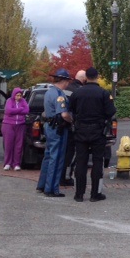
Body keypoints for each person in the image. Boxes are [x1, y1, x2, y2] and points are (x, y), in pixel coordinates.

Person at [69, 67, 116, 203]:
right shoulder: (103, 93)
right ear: (97, 76)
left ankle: (79, 194)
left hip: (81, 131)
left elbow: (70, 109)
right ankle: (95, 194)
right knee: (97, 162)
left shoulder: (77, 93)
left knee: (81, 162)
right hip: (97, 131)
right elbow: (110, 112)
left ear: (85, 78)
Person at [36, 68, 73, 197]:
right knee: (56, 158)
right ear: (64, 80)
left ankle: (42, 184)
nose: (68, 83)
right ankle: (51, 188)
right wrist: (71, 120)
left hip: (49, 126)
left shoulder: (49, 92)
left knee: (48, 156)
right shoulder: (59, 95)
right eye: (68, 80)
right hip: (58, 128)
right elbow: (63, 114)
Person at [62, 69, 86, 186]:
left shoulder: (66, 89)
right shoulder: (80, 91)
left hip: (62, 125)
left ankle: (61, 176)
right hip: (74, 125)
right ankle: (66, 177)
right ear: (83, 79)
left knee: (63, 152)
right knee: (72, 153)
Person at [1, 87, 29, 171]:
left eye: (20, 95)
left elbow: (27, 110)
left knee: (19, 145)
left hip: (20, 125)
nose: (19, 97)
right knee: (8, 144)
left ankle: (16, 164)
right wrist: (20, 109)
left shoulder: (23, 101)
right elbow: (8, 111)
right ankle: (7, 163)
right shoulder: (9, 101)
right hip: (8, 124)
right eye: (17, 95)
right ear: (14, 95)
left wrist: (16, 110)